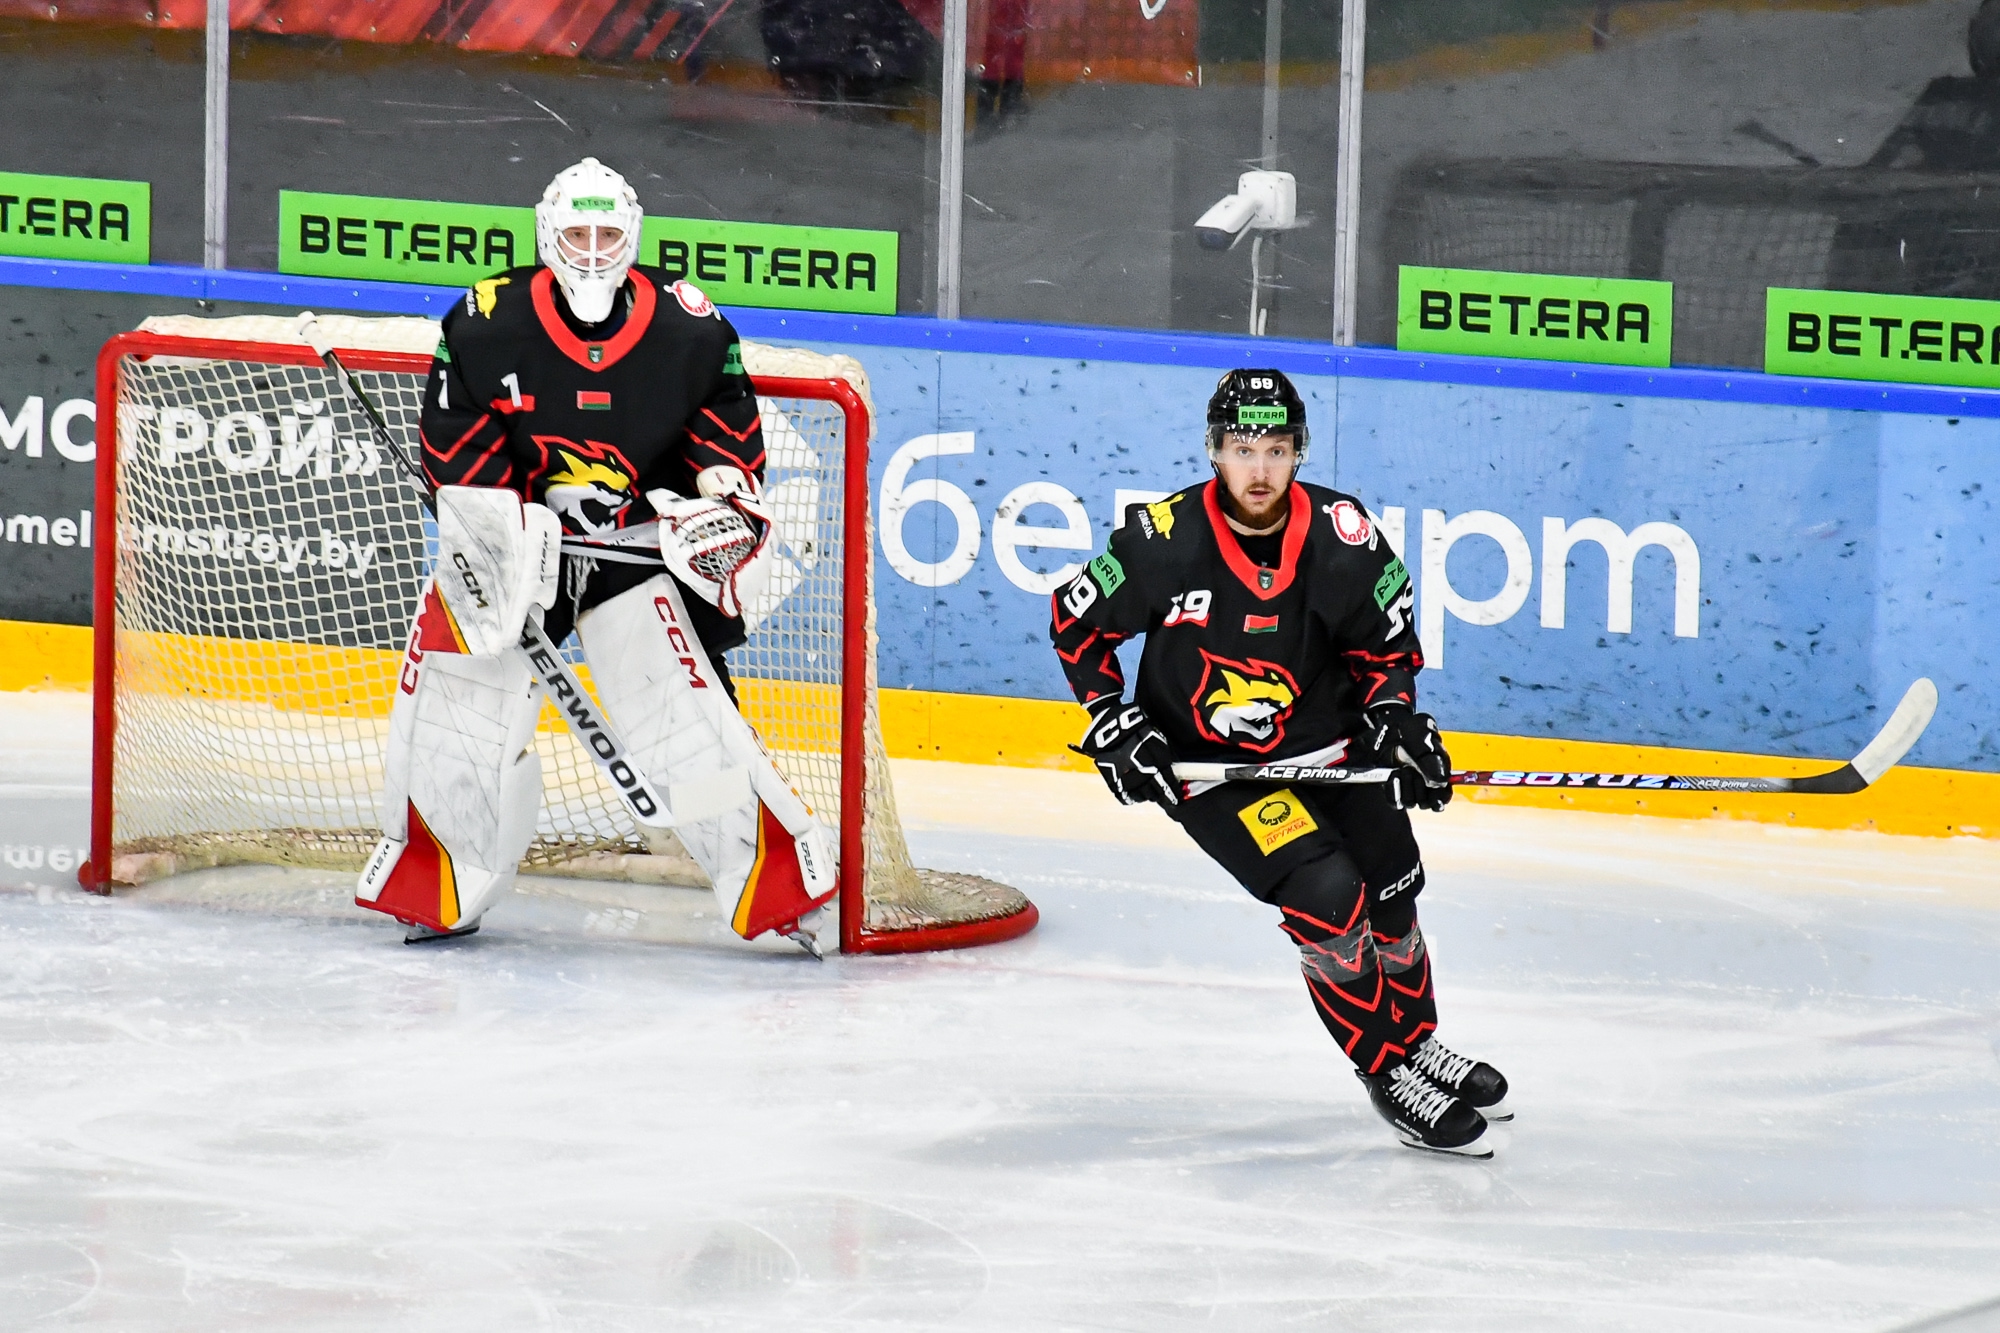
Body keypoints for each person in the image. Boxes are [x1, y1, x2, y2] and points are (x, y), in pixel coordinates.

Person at [354, 157, 835, 950]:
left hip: (632, 550)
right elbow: (454, 437)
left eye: (606, 234)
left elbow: (725, 423)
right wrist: (503, 523)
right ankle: (438, 879)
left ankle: (778, 886)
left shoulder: (689, 326)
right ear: (547, 236)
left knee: (684, 731)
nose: (591, 250)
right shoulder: (484, 319)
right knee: (459, 707)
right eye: (576, 234)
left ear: (632, 237)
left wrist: (720, 484)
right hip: (512, 546)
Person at [1048, 368, 1510, 1157]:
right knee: (1328, 893)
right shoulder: (1163, 542)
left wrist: (1395, 718)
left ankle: (1416, 1039)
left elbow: (1385, 648)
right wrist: (1113, 719)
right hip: (1211, 770)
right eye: (1241, 448)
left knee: (1392, 883)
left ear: (1299, 451)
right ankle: (1387, 1068)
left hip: (1333, 746)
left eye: (1274, 448)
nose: (1258, 468)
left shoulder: (1343, 536)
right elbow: (1076, 624)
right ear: (1214, 451)